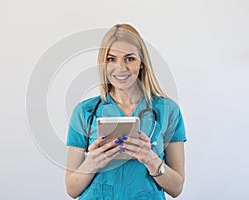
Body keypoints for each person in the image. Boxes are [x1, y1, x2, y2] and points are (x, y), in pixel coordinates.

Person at [65, 24, 187, 200]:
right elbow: (72, 189)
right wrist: (92, 162)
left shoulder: (168, 110)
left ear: (142, 63)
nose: (120, 67)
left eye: (129, 59)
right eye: (111, 59)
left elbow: (176, 188)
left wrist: (150, 159)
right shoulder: (85, 111)